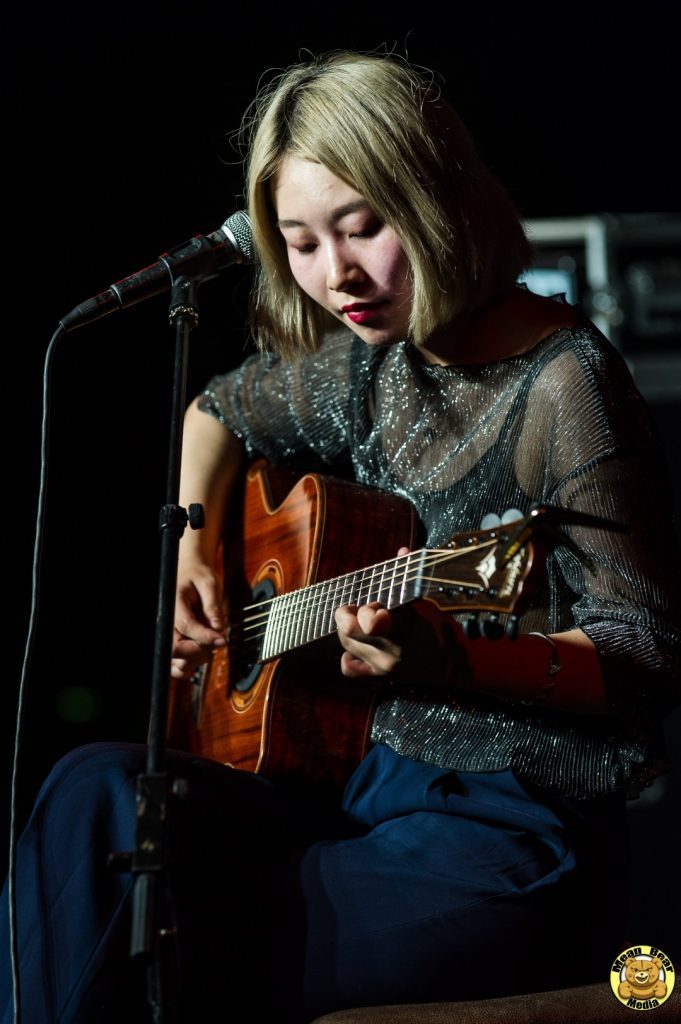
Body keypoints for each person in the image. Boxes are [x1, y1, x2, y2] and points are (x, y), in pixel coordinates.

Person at [2, 51, 680, 1024]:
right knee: (93, 787)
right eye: (302, 243)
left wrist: (455, 660)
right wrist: (196, 543)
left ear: (437, 196)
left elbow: (648, 653)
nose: (337, 275)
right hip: (359, 788)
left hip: (510, 831)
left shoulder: (564, 384)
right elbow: (217, 409)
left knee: (159, 935)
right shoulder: (373, 363)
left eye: (363, 227)